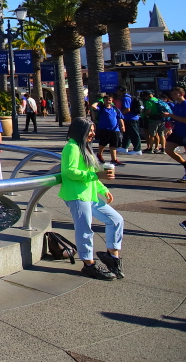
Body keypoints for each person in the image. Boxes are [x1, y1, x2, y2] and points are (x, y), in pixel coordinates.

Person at [59, 118, 124, 280]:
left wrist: (103, 189)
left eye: (94, 130)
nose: (93, 134)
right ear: (81, 130)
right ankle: (88, 265)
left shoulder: (85, 148)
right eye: (90, 130)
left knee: (116, 220)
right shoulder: (72, 147)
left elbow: (93, 173)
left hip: (90, 194)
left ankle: (112, 257)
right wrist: (95, 175)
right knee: (85, 230)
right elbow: (69, 171)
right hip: (77, 195)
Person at [161, 87, 186, 183]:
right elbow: (177, 118)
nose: (172, 95)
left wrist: (170, 115)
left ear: (181, 94)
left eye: (174, 94)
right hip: (177, 131)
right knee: (168, 149)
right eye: (172, 93)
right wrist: (172, 121)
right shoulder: (176, 105)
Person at [94, 94, 126, 166]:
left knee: (113, 145)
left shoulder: (115, 109)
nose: (108, 101)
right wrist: (99, 102)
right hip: (104, 129)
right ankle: (99, 154)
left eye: (109, 100)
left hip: (115, 129)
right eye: (106, 100)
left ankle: (114, 159)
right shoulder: (101, 108)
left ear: (112, 101)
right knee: (103, 144)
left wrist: (123, 126)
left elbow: (120, 118)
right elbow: (93, 106)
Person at [117, 87, 142, 156]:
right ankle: (124, 147)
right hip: (129, 118)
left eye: (118, 90)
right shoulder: (128, 97)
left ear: (121, 91)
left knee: (134, 134)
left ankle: (137, 149)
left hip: (131, 118)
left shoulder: (125, 98)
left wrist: (119, 114)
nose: (117, 92)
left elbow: (127, 109)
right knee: (127, 133)